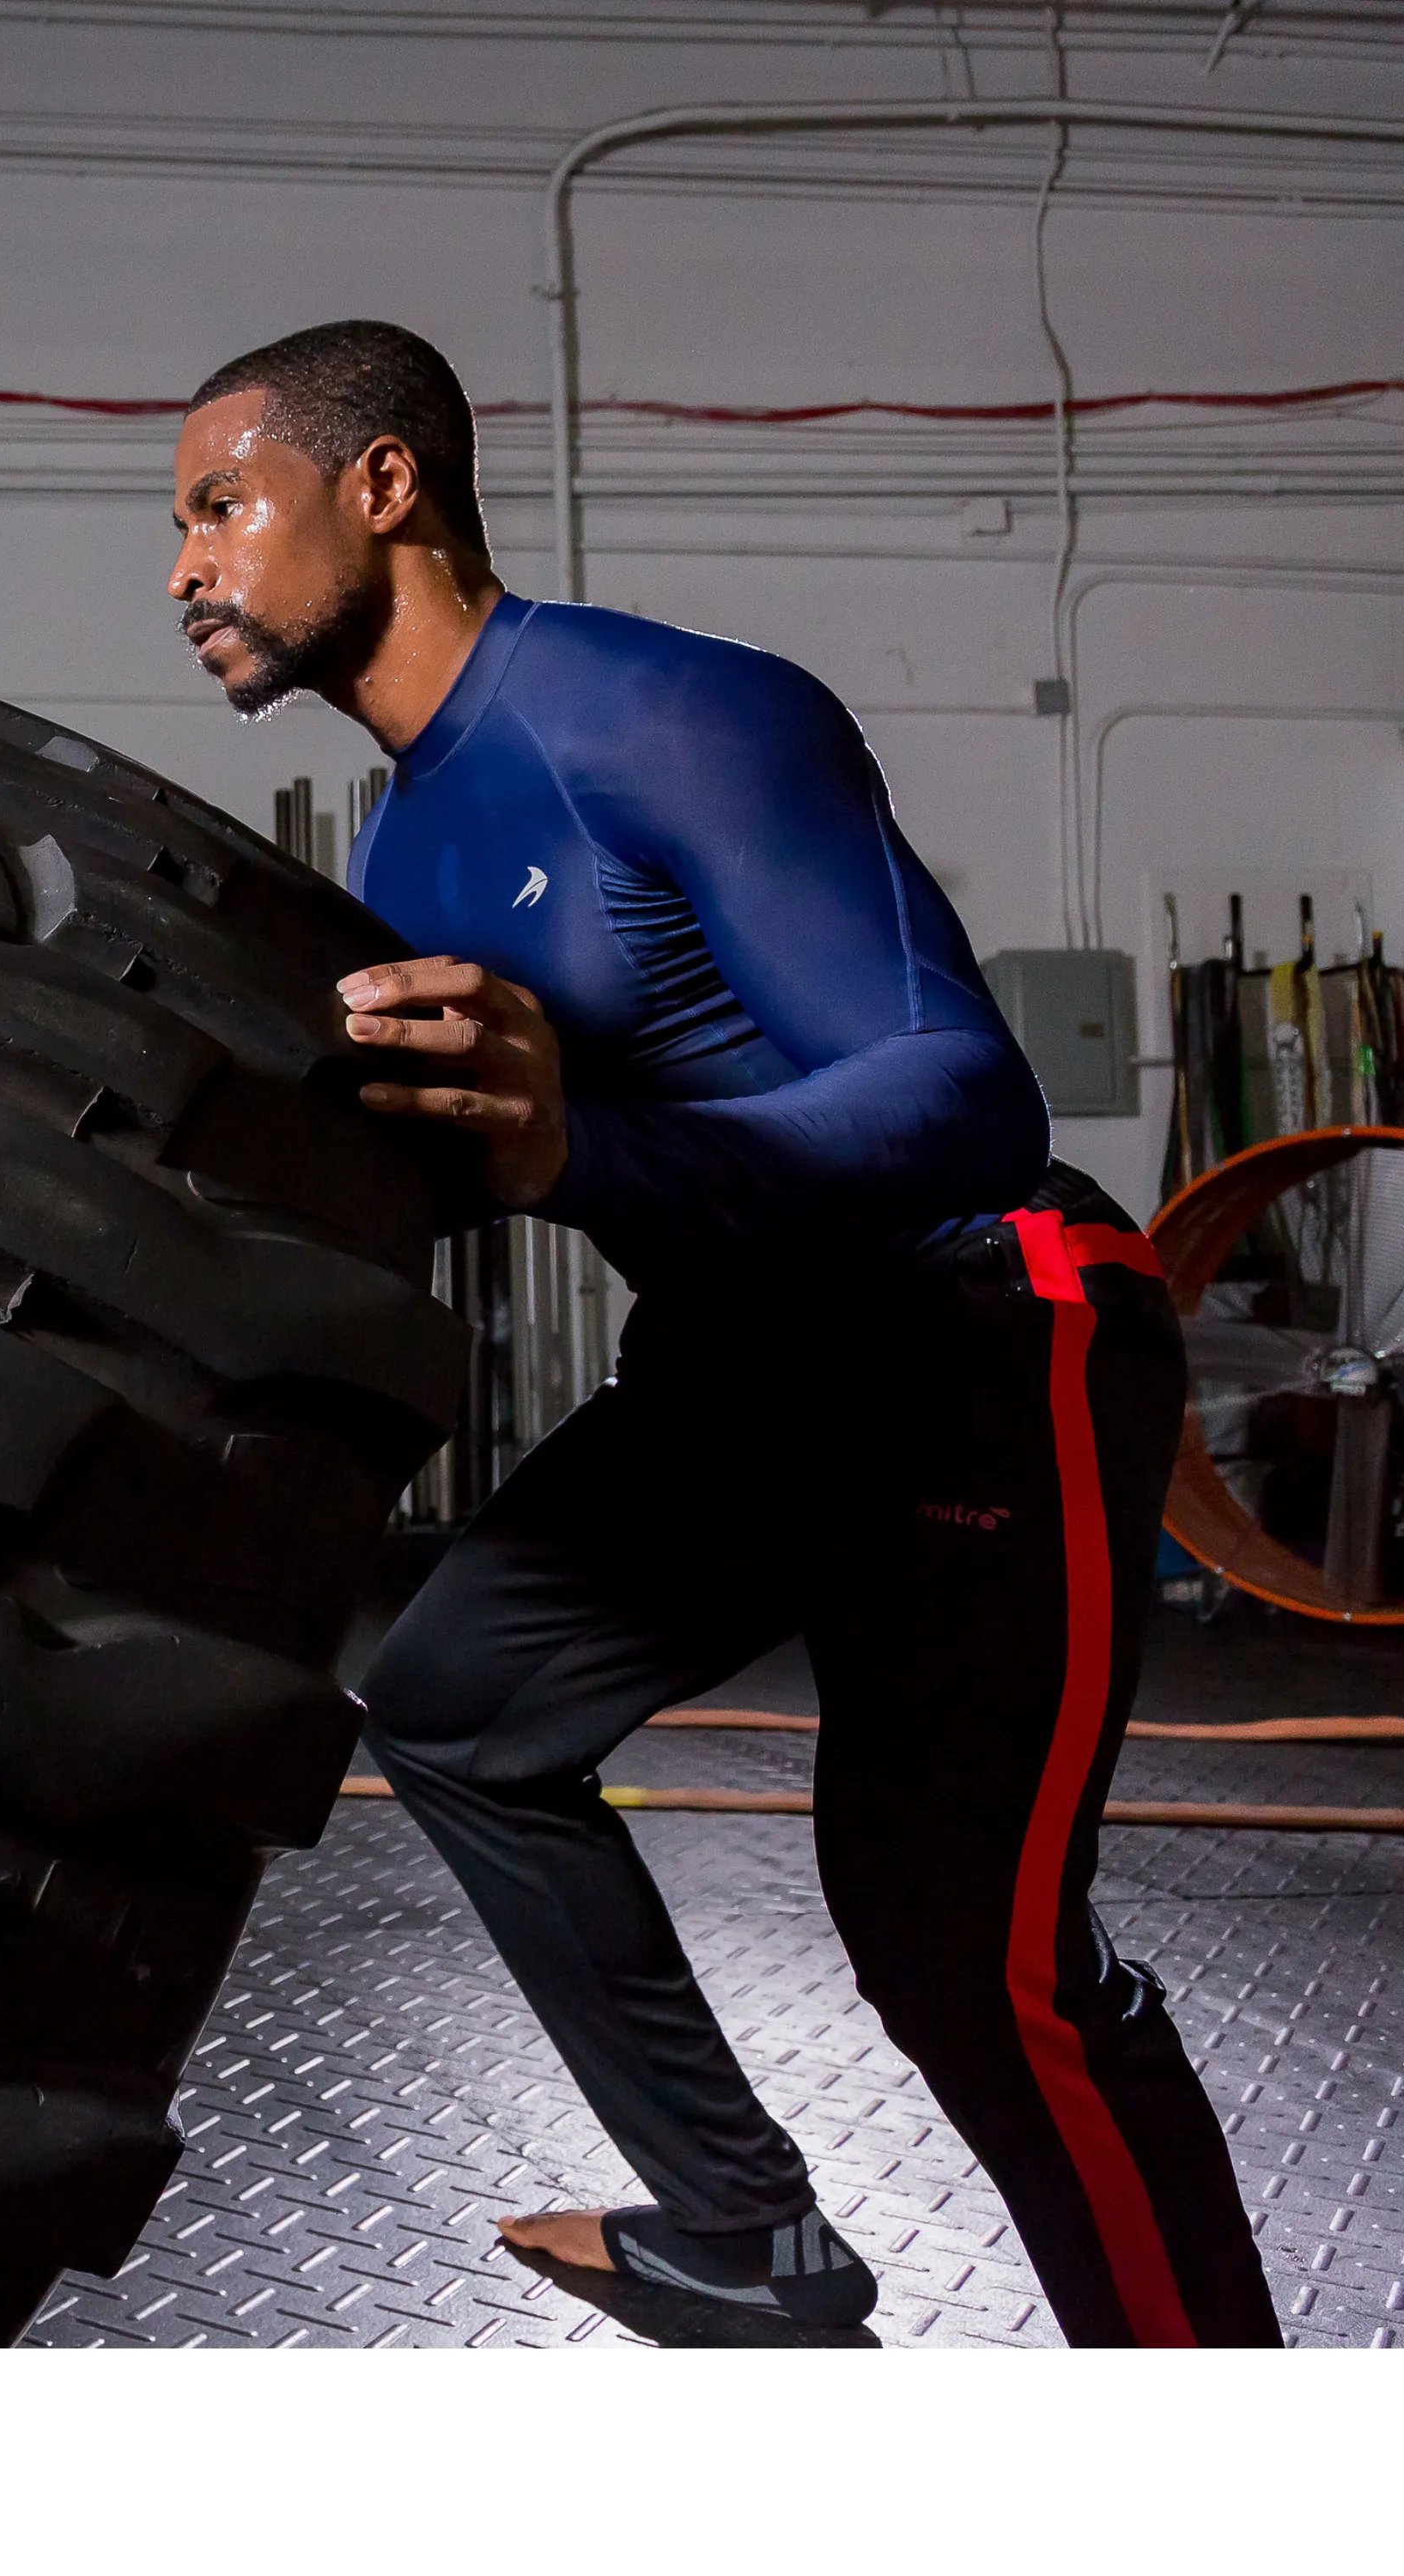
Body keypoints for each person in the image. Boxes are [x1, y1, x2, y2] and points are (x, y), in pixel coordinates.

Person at [165, 318, 1279, 2347]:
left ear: (383, 484)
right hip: (752, 1364)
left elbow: (964, 1093)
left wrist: (581, 1140)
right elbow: (510, 1180)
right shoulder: (406, 847)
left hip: (976, 1326)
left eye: (220, 506)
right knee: (455, 1705)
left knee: (970, 1965)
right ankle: (747, 2228)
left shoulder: (667, 715)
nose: (183, 568)